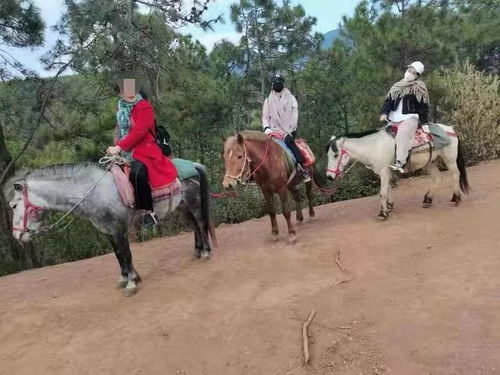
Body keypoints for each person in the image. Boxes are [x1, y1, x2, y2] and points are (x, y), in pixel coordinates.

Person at [107, 78, 177, 227]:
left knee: (137, 172)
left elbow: (140, 131)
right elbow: (120, 131)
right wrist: (116, 145)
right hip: (127, 150)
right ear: (120, 94)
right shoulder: (122, 110)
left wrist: (120, 147)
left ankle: (148, 211)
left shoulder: (144, 107)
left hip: (146, 149)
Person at [380, 61, 429, 173]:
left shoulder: (418, 87)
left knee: (401, 137)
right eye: (409, 71)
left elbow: (423, 106)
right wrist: (384, 113)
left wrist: (424, 122)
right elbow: (388, 101)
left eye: (413, 73)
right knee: (382, 135)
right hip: (394, 117)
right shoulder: (397, 86)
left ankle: (400, 162)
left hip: (410, 117)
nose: (410, 73)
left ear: (417, 76)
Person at [262, 74, 311, 182]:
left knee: (290, 142)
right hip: (273, 130)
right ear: (272, 85)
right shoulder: (268, 101)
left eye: (279, 83)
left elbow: (295, 115)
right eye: (275, 83)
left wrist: (291, 129)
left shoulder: (291, 98)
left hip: (288, 129)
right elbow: (265, 117)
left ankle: (301, 167)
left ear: (283, 84)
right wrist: (266, 128)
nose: (277, 85)